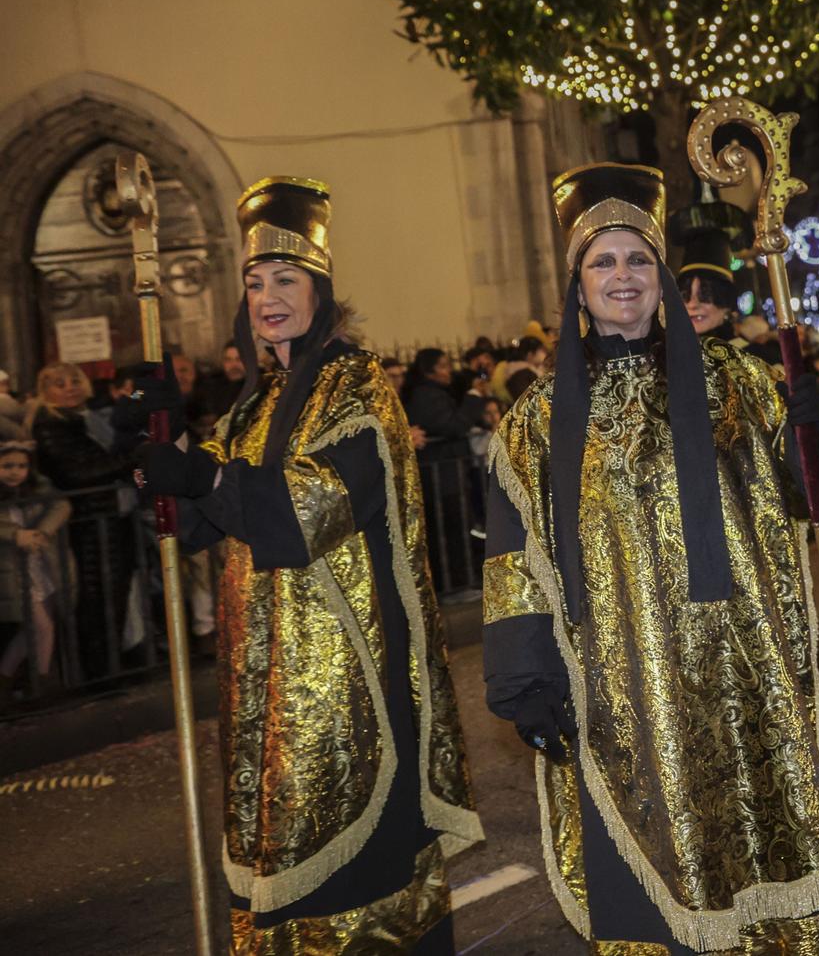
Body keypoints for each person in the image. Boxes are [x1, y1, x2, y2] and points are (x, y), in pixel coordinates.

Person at [482, 163, 819, 950]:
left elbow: (817, 497)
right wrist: (523, 676)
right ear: (578, 284)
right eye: (603, 261)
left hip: (742, 670)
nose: (622, 276)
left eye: (638, 259)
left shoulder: (739, 380)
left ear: (659, 274)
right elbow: (515, 555)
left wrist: (812, 431)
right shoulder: (535, 421)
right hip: (623, 687)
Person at [134, 175, 480, 953]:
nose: (268, 297)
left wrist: (203, 475)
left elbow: (312, 506)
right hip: (267, 682)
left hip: (343, 681)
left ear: (320, 288)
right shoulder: (255, 402)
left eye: (285, 278)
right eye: (256, 281)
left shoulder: (357, 387)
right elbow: (199, 515)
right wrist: (159, 439)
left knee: (354, 860)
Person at [30, 361, 138, 680]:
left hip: (114, 512)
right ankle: (97, 671)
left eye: (74, 381)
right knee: (95, 596)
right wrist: (131, 460)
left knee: (117, 591)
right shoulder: (50, 424)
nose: (70, 388)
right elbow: (76, 471)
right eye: (59, 384)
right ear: (45, 391)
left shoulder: (91, 416)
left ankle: (113, 661)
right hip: (89, 519)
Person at [0, 437, 70, 694]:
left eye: (21, 466)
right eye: (7, 466)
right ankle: (43, 682)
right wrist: (15, 535)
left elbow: (61, 505)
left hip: (39, 567)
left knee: (32, 630)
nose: (15, 472)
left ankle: (6, 679)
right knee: (42, 627)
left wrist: (42, 532)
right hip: (12, 571)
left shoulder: (37, 487)